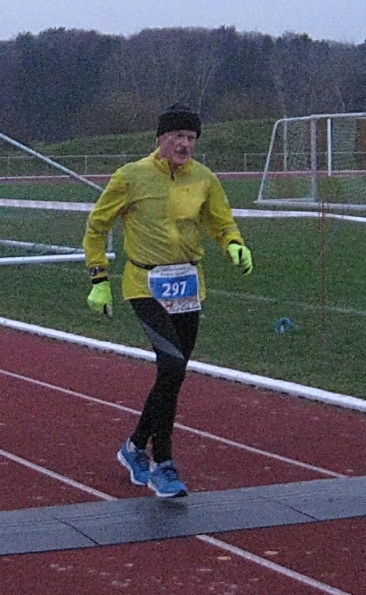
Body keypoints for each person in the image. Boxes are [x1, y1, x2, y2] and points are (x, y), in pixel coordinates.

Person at [82, 102, 254, 498]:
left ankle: (133, 448)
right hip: (145, 285)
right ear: (161, 138)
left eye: (191, 138)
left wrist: (234, 243)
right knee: (173, 365)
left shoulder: (205, 178)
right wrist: (99, 278)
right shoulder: (131, 177)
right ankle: (163, 463)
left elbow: (220, 220)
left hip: (188, 285)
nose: (185, 144)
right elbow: (97, 226)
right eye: (178, 136)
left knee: (172, 373)